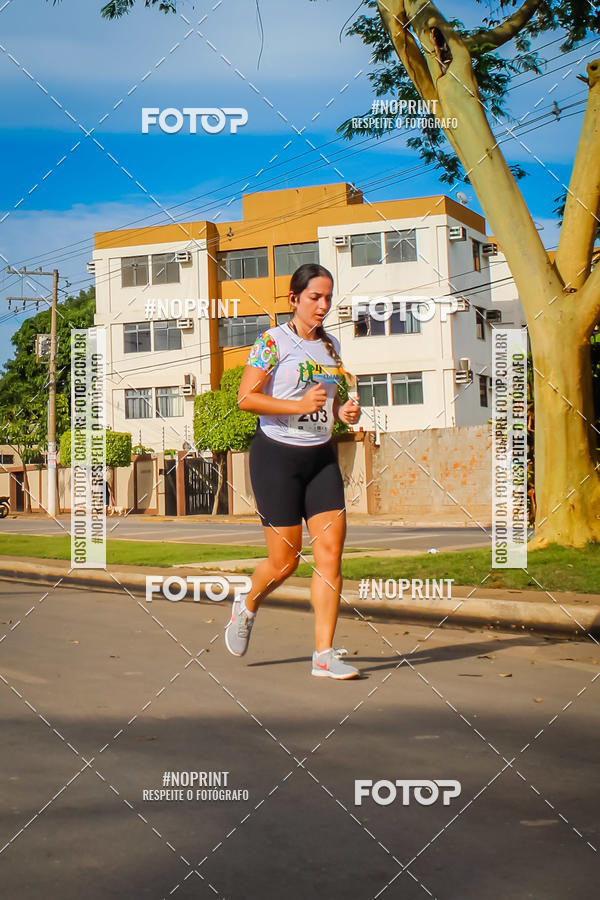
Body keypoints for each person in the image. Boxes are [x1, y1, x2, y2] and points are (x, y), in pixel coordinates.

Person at [224, 263, 362, 679]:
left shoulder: (331, 345)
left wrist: (344, 411)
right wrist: (298, 406)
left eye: (327, 297)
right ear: (294, 299)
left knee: (330, 555)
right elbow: (245, 398)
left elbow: (330, 406)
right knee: (285, 563)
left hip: (320, 458)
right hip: (276, 458)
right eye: (314, 297)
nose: (323, 305)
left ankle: (323, 655)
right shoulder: (271, 342)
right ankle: (246, 604)